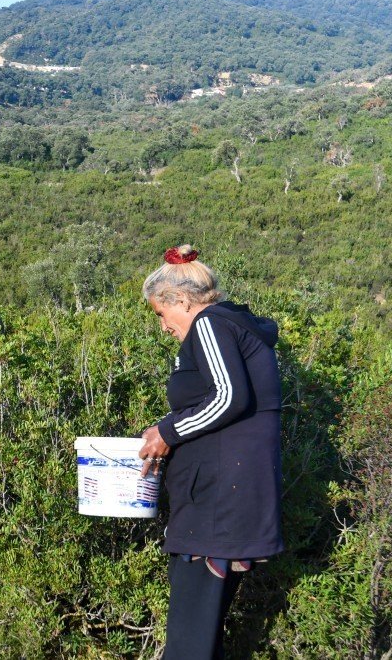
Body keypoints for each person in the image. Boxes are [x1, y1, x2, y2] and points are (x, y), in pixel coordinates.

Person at [137, 244, 283, 660]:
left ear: (180, 300)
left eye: (161, 315)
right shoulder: (234, 327)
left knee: (188, 645)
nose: (163, 326)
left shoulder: (211, 325)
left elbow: (227, 396)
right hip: (228, 503)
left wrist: (167, 431)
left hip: (217, 508)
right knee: (203, 641)